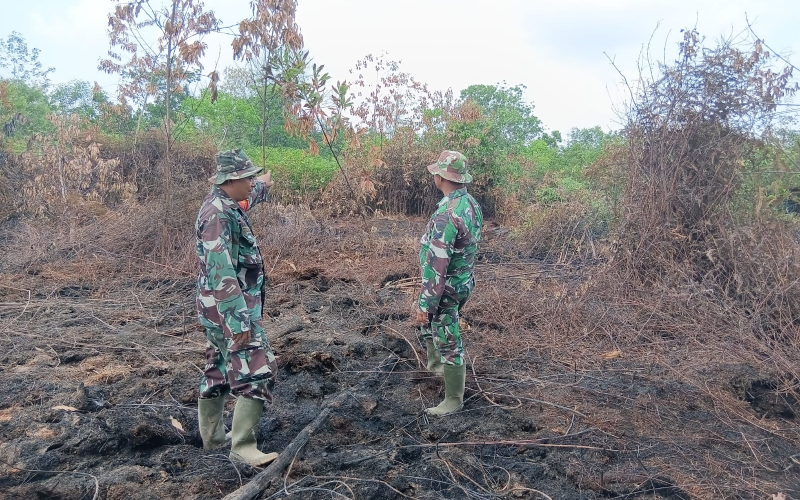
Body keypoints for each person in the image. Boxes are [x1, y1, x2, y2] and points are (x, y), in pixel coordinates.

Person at [195, 149, 279, 466]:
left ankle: (214, 437)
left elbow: (249, 196)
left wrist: (264, 185)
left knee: (218, 367)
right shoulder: (216, 216)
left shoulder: (227, 201)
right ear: (232, 179)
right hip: (230, 310)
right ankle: (243, 447)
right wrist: (238, 323)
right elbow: (221, 271)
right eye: (249, 178)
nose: (252, 182)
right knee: (258, 368)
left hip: (217, 310)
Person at [415, 150, 483, 416]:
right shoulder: (470, 203)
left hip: (446, 287)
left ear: (441, 176)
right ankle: (436, 365)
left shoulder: (448, 214)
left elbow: (437, 264)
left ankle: (454, 398)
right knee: (439, 326)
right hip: (463, 281)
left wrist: (426, 303)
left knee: (448, 334)